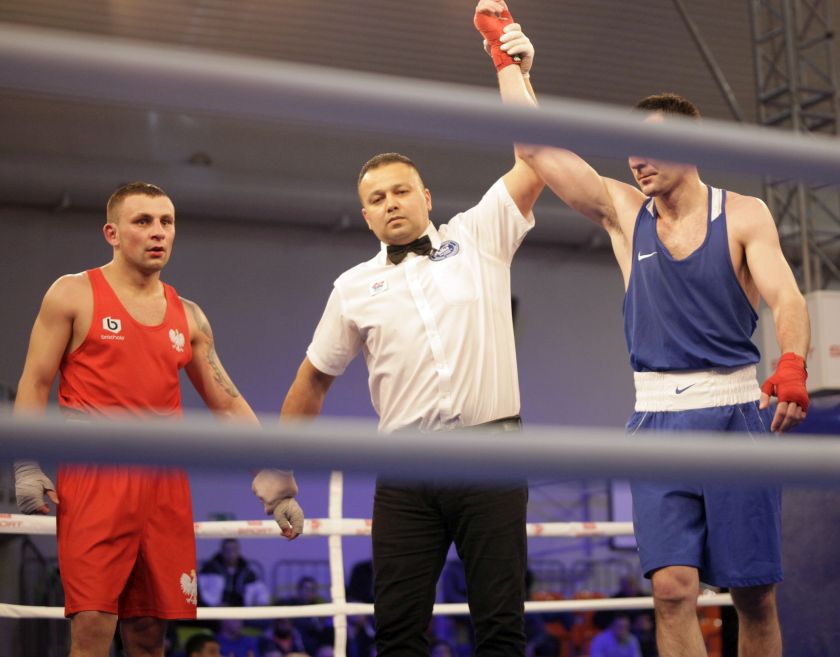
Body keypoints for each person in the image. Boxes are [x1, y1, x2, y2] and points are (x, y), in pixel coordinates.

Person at [473, 4, 810, 656]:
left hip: (736, 414)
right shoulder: (627, 214)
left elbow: (787, 296)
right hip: (657, 421)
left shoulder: (744, 215)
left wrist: (793, 360)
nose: (636, 160)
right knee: (672, 592)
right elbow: (537, 151)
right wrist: (508, 62)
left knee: (754, 596)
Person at [280, 105, 543, 656]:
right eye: (377, 198)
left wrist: (513, 74)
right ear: (366, 216)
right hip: (406, 472)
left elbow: (535, 161)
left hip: (491, 455)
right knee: (397, 631)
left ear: (425, 197)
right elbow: (312, 379)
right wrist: (279, 472)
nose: (391, 203)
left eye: (401, 191)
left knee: (501, 626)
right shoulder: (352, 287)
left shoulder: (478, 236)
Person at [12, 181, 303, 657]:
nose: (157, 232)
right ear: (112, 233)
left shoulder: (188, 316)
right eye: (143, 221)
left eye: (166, 222)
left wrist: (275, 485)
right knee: (92, 628)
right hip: (96, 477)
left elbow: (228, 403)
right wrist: (26, 462)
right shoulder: (72, 294)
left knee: (150, 635)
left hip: (164, 483)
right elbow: (35, 380)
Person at [199, 538, 267, 607]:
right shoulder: (209, 569)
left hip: (242, 610)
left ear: (238, 551)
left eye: (234, 550)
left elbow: (261, 592)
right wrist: (214, 604)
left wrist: (259, 603)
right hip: (216, 609)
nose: (231, 554)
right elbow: (201, 592)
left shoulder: (247, 572)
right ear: (222, 551)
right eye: (227, 550)